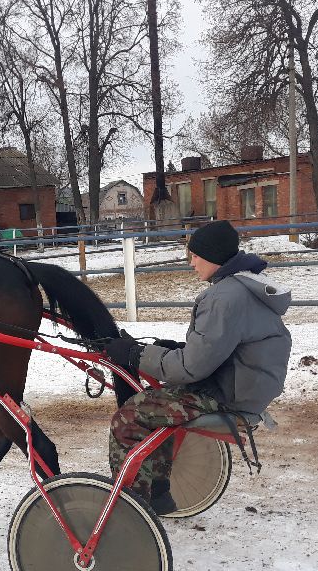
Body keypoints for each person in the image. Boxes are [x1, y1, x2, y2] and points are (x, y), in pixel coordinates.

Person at [102, 219, 292, 514]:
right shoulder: (241, 288)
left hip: (229, 393)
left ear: (213, 256)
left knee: (129, 417)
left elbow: (191, 368)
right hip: (244, 382)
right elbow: (216, 348)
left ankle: (134, 506)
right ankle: (159, 493)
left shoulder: (223, 298)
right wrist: (166, 348)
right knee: (157, 404)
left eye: (194, 255)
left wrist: (135, 355)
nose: (191, 263)